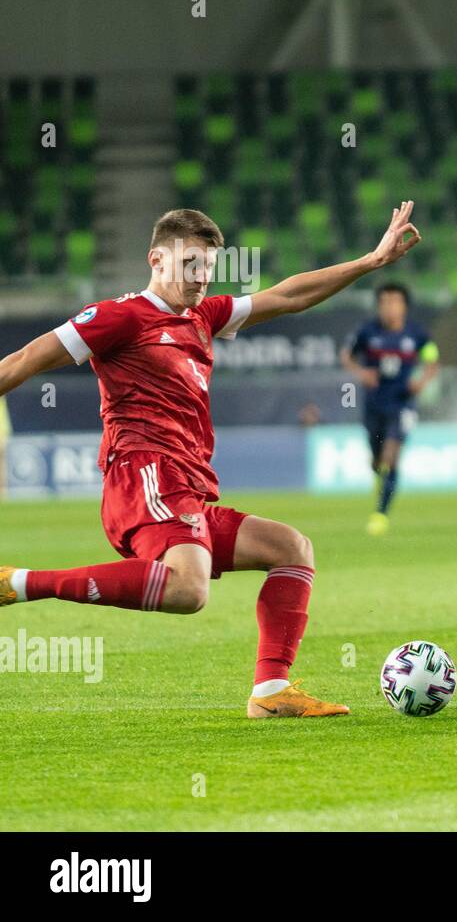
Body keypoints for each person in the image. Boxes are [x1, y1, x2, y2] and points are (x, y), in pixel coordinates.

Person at [0, 201, 421, 718]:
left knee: (291, 548)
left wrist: (369, 262)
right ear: (157, 259)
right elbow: (22, 361)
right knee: (188, 589)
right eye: (189, 265)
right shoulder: (118, 318)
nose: (200, 278)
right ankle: (18, 583)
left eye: (208, 268)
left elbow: (288, 296)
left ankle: (270, 692)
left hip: (188, 486)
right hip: (145, 475)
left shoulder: (205, 316)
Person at [340, 282, 439, 536]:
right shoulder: (367, 332)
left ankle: (380, 514)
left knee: (391, 456)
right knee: (376, 460)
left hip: (403, 404)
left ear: (404, 306)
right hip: (374, 405)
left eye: (394, 302)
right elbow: (346, 355)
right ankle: (379, 477)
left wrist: (422, 381)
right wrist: (362, 373)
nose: (389, 307)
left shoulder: (417, 334)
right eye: (384, 302)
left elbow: (432, 360)